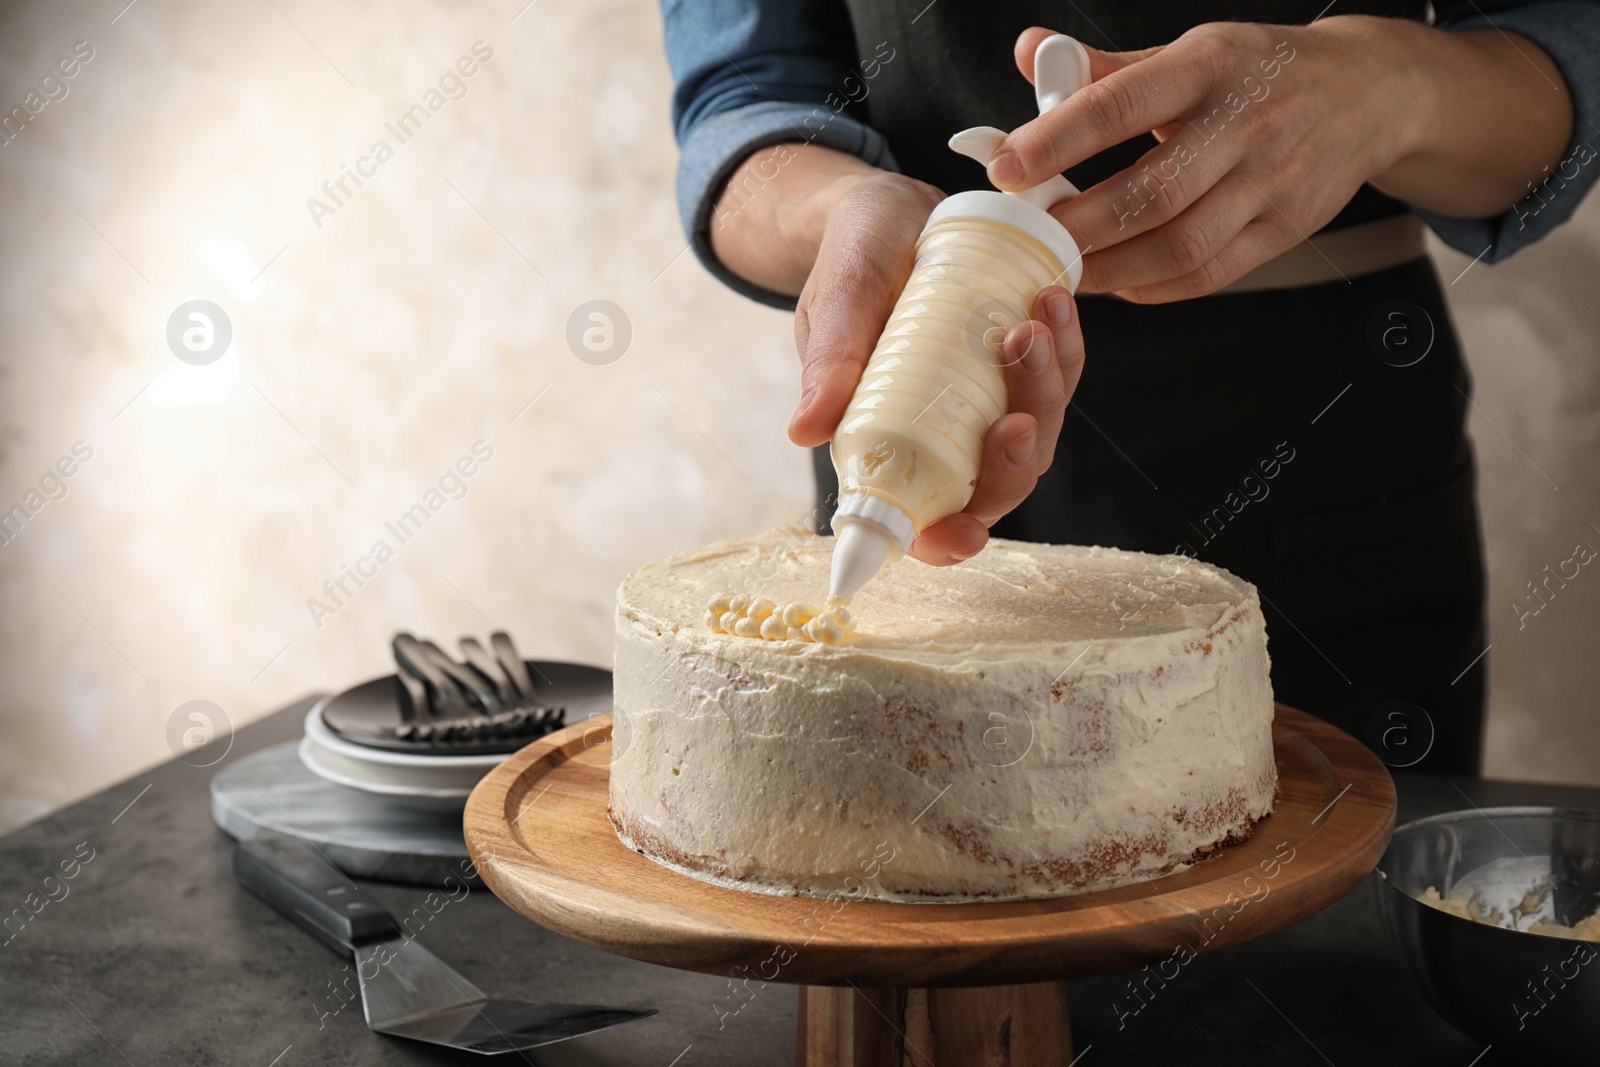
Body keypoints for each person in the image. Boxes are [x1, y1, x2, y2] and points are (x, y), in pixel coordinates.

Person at [658, 1, 1600, 774]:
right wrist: (843, 209)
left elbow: (1563, 48)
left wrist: (1390, 84)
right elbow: (745, 102)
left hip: (1325, 464)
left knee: (1331, 974)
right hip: (926, 377)